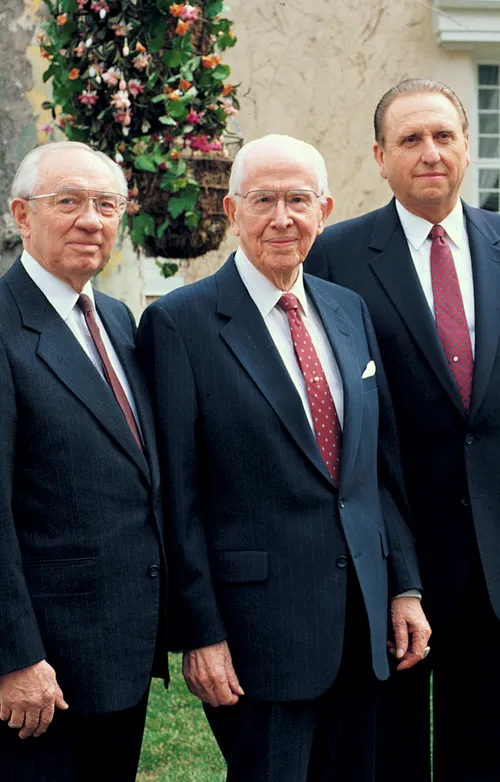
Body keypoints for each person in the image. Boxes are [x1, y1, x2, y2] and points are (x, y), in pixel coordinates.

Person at [136, 134, 430, 782]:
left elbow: (375, 471)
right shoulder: (180, 325)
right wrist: (200, 633)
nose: (281, 217)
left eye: (298, 200)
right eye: (263, 200)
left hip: (362, 625)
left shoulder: (348, 310)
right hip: (256, 638)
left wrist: (403, 586)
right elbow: (175, 498)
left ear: (323, 210)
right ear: (233, 212)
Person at [304, 78, 500, 782]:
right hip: (390, 552)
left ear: (467, 147)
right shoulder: (334, 256)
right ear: (380, 157)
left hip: (494, 558)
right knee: (390, 755)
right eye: (411, 139)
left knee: (487, 746)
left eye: (444, 136)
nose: (430, 153)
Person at [0, 141, 168, 782]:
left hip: (116, 651)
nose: (91, 220)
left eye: (106, 204)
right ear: (22, 215)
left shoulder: (119, 319)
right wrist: (14, 657)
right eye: (67, 202)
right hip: (40, 669)